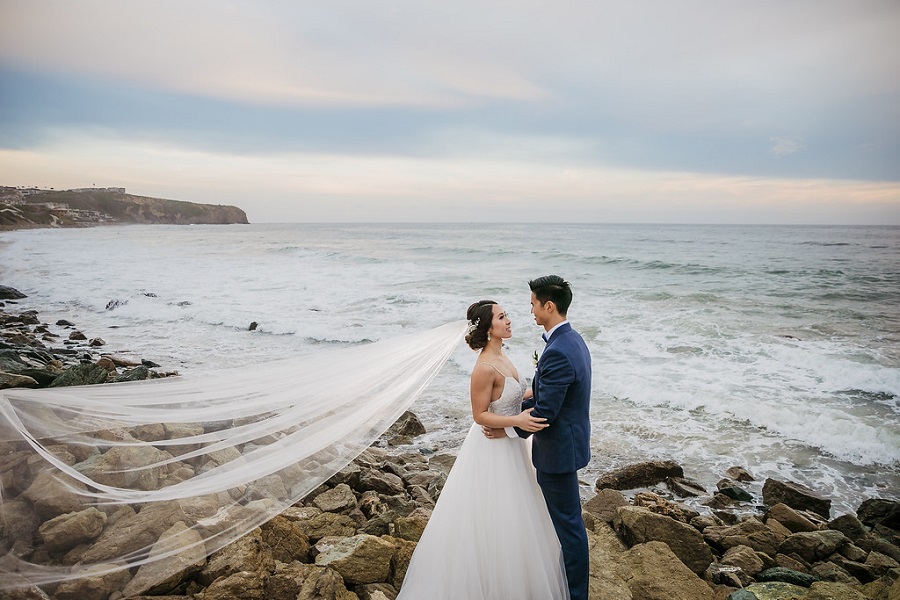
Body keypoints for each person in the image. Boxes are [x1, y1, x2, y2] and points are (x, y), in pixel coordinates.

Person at [396, 300, 570, 600]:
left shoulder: (502, 356)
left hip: (513, 447)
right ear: (489, 328)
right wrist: (516, 421)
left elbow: (514, 395)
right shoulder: (483, 367)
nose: (509, 320)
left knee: (519, 517)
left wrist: (549, 391)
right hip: (491, 449)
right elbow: (479, 415)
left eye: (507, 315)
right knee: (493, 515)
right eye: (502, 317)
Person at [485, 275, 592, 600]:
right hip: (567, 448)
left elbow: (546, 413)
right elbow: (550, 395)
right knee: (566, 524)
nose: (530, 310)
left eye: (533, 304)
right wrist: (522, 402)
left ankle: (575, 595)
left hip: (557, 455)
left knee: (569, 530)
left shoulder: (558, 351)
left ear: (548, 306)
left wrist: (505, 427)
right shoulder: (572, 340)